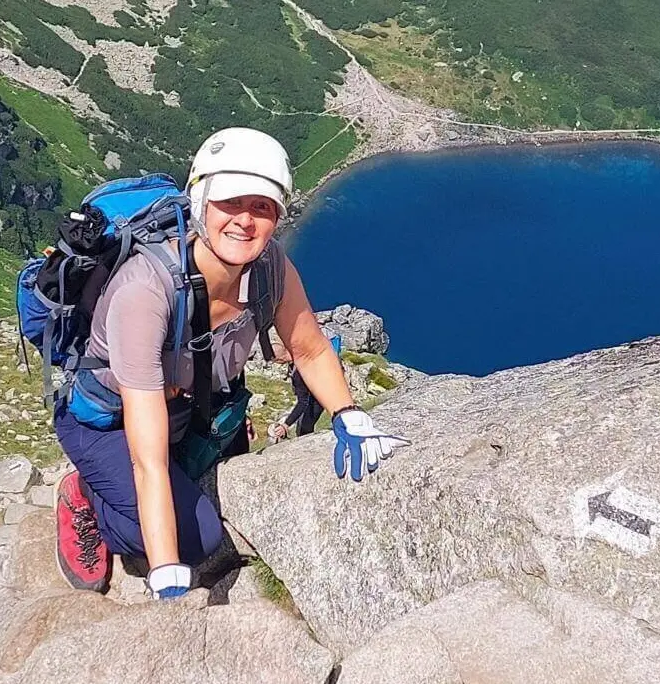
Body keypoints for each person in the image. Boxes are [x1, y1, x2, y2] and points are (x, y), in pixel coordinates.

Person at [53, 127, 411, 600]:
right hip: (109, 422)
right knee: (195, 538)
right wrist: (166, 570)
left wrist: (349, 414)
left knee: (210, 507)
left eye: (262, 207)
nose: (245, 220)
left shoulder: (269, 268)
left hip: (189, 408)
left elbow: (309, 348)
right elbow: (147, 461)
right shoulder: (147, 289)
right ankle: (83, 495)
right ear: (201, 204)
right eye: (230, 203)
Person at [271, 330, 343, 442]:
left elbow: (303, 402)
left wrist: (286, 425)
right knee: (303, 426)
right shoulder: (300, 355)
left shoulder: (298, 373)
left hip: (318, 398)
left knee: (304, 430)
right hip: (326, 389)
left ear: (279, 360)